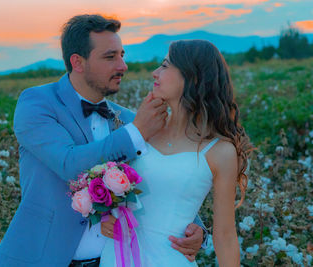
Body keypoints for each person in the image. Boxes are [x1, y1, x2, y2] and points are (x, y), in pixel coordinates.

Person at [0, 15, 206, 267]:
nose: (123, 66)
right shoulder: (37, 103)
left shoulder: (129, 120)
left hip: (115, 260)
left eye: (122, 55)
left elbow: (160, 179)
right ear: (78, 62)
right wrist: (137, 133)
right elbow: (70, 164)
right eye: (110, 57)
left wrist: (195, 229)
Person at [100, 39, 252, 266]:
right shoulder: (141, 130)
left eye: (165, 65)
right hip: (117, 257)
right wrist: (105, 216)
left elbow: (225, 236)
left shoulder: (220, 151)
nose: (154, 73)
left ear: (193, 77)